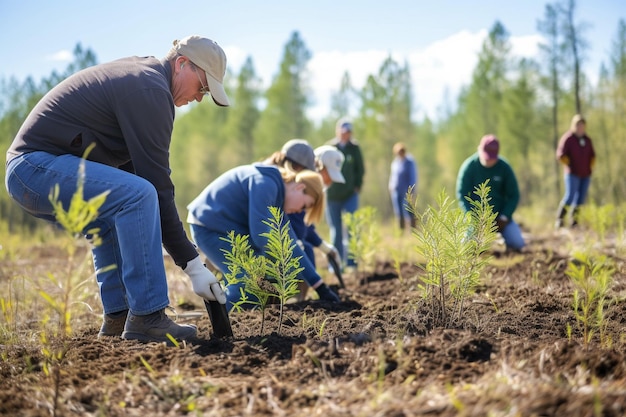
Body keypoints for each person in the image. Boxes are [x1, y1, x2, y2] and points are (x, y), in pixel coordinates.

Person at [5, 35, 230, 344]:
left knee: (116, 209)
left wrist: (188, 259)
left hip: (33, 172)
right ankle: (148, 316)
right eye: (202, 87)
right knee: (139, 195)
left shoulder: (146, 83)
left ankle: (119, 317)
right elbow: (157, 188)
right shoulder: (150, 89)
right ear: (181, 64)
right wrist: (193, 265)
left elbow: (136, 179)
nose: (200, 97)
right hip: (35, 168)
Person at [186, 164, 340, 311]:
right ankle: (221, 328)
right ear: (300, 188)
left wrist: (320, 287)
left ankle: (235, 318)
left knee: (256, 284)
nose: (300, 211)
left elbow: (292, 245)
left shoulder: (277, 199)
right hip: (209, 226)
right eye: (305, 205)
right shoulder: (266, 184)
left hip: (225, 229)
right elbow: (260, 236)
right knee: (246, 284)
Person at [456, 134, 525, 252]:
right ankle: (478, 245)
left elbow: (514, 195)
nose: (488, 160)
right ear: (479, 149)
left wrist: (504, 216)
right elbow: (462, 195)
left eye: (491, 158)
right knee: (465, 248)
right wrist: (472, 217)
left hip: (500, 217)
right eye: (486, 157)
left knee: (518, 243)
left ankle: (505, 243)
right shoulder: (469, 167)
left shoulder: (504, 167)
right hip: (476, 218)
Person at [325, 118, 365, 267]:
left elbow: (360, 170)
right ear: (338, 131)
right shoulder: (330, 148)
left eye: (347, 132)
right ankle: (335, 264)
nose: (345, 135)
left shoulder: (354, 149)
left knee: (352, 228)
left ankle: (352, 263)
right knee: (335, 230)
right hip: (332, 196)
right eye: (342, 132)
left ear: (350, 133)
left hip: (350, 195)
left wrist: (357, 186)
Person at [555, 114, 596, 228]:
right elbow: (560, 154)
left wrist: (590, 166)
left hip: (585, 174)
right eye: (578, 125)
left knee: (580, 199)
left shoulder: (587, 140)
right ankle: (560, 219)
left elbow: (593, 155)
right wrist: (569, 164)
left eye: (582, 125)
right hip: (572, 174)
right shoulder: (568, 139)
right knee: (570, 196)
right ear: (574, 125)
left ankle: (575, 222)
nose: (580, 128)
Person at [388, 142, 418, 230]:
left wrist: (411, 189)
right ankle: (401, 230)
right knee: (398, 211)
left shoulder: (410, 162)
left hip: (407, 191)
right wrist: (391, 186)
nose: (400, 153)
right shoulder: (395, 162)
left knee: (409, 210)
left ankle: (413, 230)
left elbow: (413, 176)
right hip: (396, 190)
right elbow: (393, 176)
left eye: (401, 151)